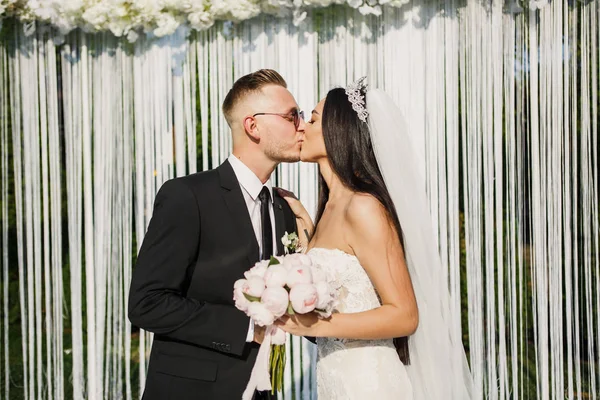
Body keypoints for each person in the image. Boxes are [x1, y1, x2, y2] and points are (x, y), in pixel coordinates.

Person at [275, 78, 474, 399]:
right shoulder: (330, 206)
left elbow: (404, 315)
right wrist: (304, 225)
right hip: (334, 380)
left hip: (370, 383)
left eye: (311, 119)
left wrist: (315, 326)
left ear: (337, 130)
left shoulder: (364, 206)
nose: (301, 127)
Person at [128, 69, 304, 400]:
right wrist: (249, 329)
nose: (301, 125)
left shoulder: (283, 208)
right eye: (292, 115)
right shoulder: (188, 196)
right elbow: (146, 303)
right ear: (253, 126)